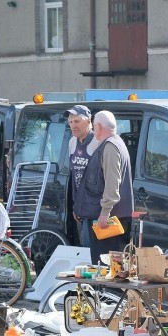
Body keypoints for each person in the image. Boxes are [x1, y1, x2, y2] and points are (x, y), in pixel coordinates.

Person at [73, 110, 133, 264]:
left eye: (94, 126)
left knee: (105, 267)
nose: (94, 130)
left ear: (98, 126)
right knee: (113, 267)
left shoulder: (110, 146)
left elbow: (113, 183)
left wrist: (105, 212)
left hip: (108, 220)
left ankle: (108, 290)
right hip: (113, 217)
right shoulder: (117, 142)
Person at [67, 104, 99, 246]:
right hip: (81, 204)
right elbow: (74, 177)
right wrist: (76, 205)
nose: (73, 125)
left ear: (89, 120)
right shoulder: (72, 142)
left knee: (97, 249)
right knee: (85, 246)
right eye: (71, 122)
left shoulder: (98, 142)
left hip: (97, 205)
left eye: (77, 121)